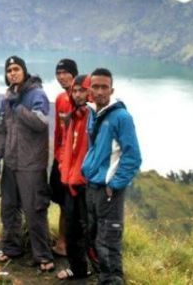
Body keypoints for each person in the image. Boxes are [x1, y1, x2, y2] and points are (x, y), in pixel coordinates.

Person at [0, 56, 55, 272]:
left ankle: (43, 256)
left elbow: (41, 122)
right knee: (8, 207)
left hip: (31, 164)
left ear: (24, 71)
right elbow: (1, 128)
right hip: (11, 161)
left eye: (16, 69)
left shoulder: (37, 94)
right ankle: (11, 248)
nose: (12, 73)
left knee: (34, 210)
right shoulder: (8, 95)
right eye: (9, 70)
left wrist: (18, 108)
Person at [81, 68, 141, 285]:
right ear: (89, 90)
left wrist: (114, 185)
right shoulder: (94, 113)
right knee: (94, 238)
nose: (99, 91)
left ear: (111, 89)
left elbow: (133, 157)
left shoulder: (121, 117)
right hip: (92, 187)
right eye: (95, 87)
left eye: (104, 87)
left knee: (108, 242)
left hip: (108, 191)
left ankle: (112, 281)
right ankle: (102, 279)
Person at [56, 74, 94, 281]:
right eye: (75, 91)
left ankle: (98, 270)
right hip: (70, 181)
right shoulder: (73, 116)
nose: (78, 94)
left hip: (86, 183)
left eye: (82, 90)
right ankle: (78, 268)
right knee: (72, 229)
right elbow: (66, 146)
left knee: (89, 230)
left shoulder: (93, 117)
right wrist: (63, 167)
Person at [51, 58, 78, 257]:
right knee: (62, 202)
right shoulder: (60, 99)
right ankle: (62, 243)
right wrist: (58, 157)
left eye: (65, 72)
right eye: (58, 73)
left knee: (75, 205)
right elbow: (59, 134)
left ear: (74, 74)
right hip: (61, 160)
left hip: (77, 163)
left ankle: (76, 246)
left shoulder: (85, 99)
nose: (62, 77)